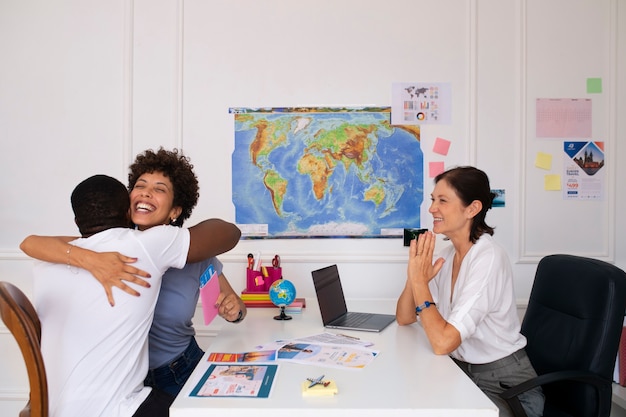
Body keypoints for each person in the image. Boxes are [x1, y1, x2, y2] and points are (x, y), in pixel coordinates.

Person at [20, 148, 247, 402]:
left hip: (178, 369)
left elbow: (231, 301)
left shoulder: (194, 254)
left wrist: (234, 311)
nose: (147, 192)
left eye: (160, 189)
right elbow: (31, 244)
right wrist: (92, 259)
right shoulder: (107, 247)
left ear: (175, 211)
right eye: (140, 185)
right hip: (122, 386)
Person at [395, 166, 544, 417]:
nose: (432, 208)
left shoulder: (488, 259)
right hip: (462, 371)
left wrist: (421, 285)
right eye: (433, 200)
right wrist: (414, 276)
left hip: (505, 385)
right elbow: (405, 317)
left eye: (443, 200)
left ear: (472, 209)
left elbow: (443, 343)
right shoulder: (449, 254)